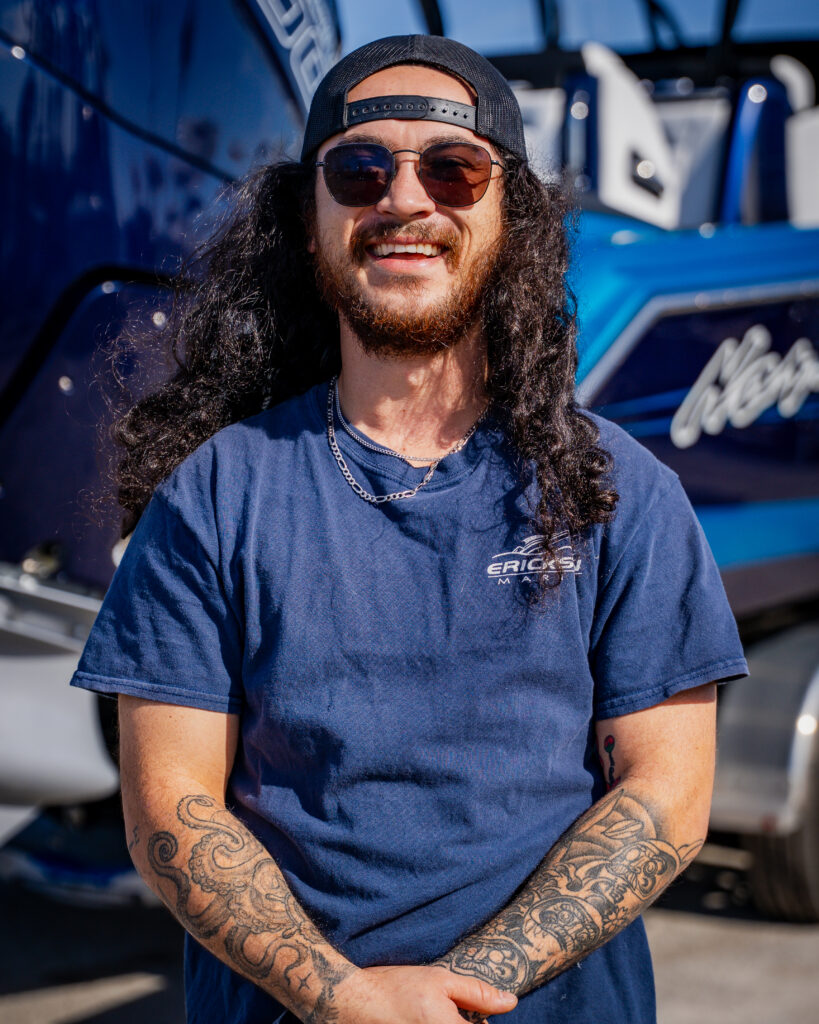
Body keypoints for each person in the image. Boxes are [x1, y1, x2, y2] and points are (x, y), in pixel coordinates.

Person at [71, 34, 747, 1024]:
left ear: (509, 215)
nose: (402, 199)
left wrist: (463, 993)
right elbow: (170, 808)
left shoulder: (615, 489)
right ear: (307, 222)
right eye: (358, 170)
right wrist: (342, 997)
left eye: (452, 168)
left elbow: (665, 799)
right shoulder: (213, 493)